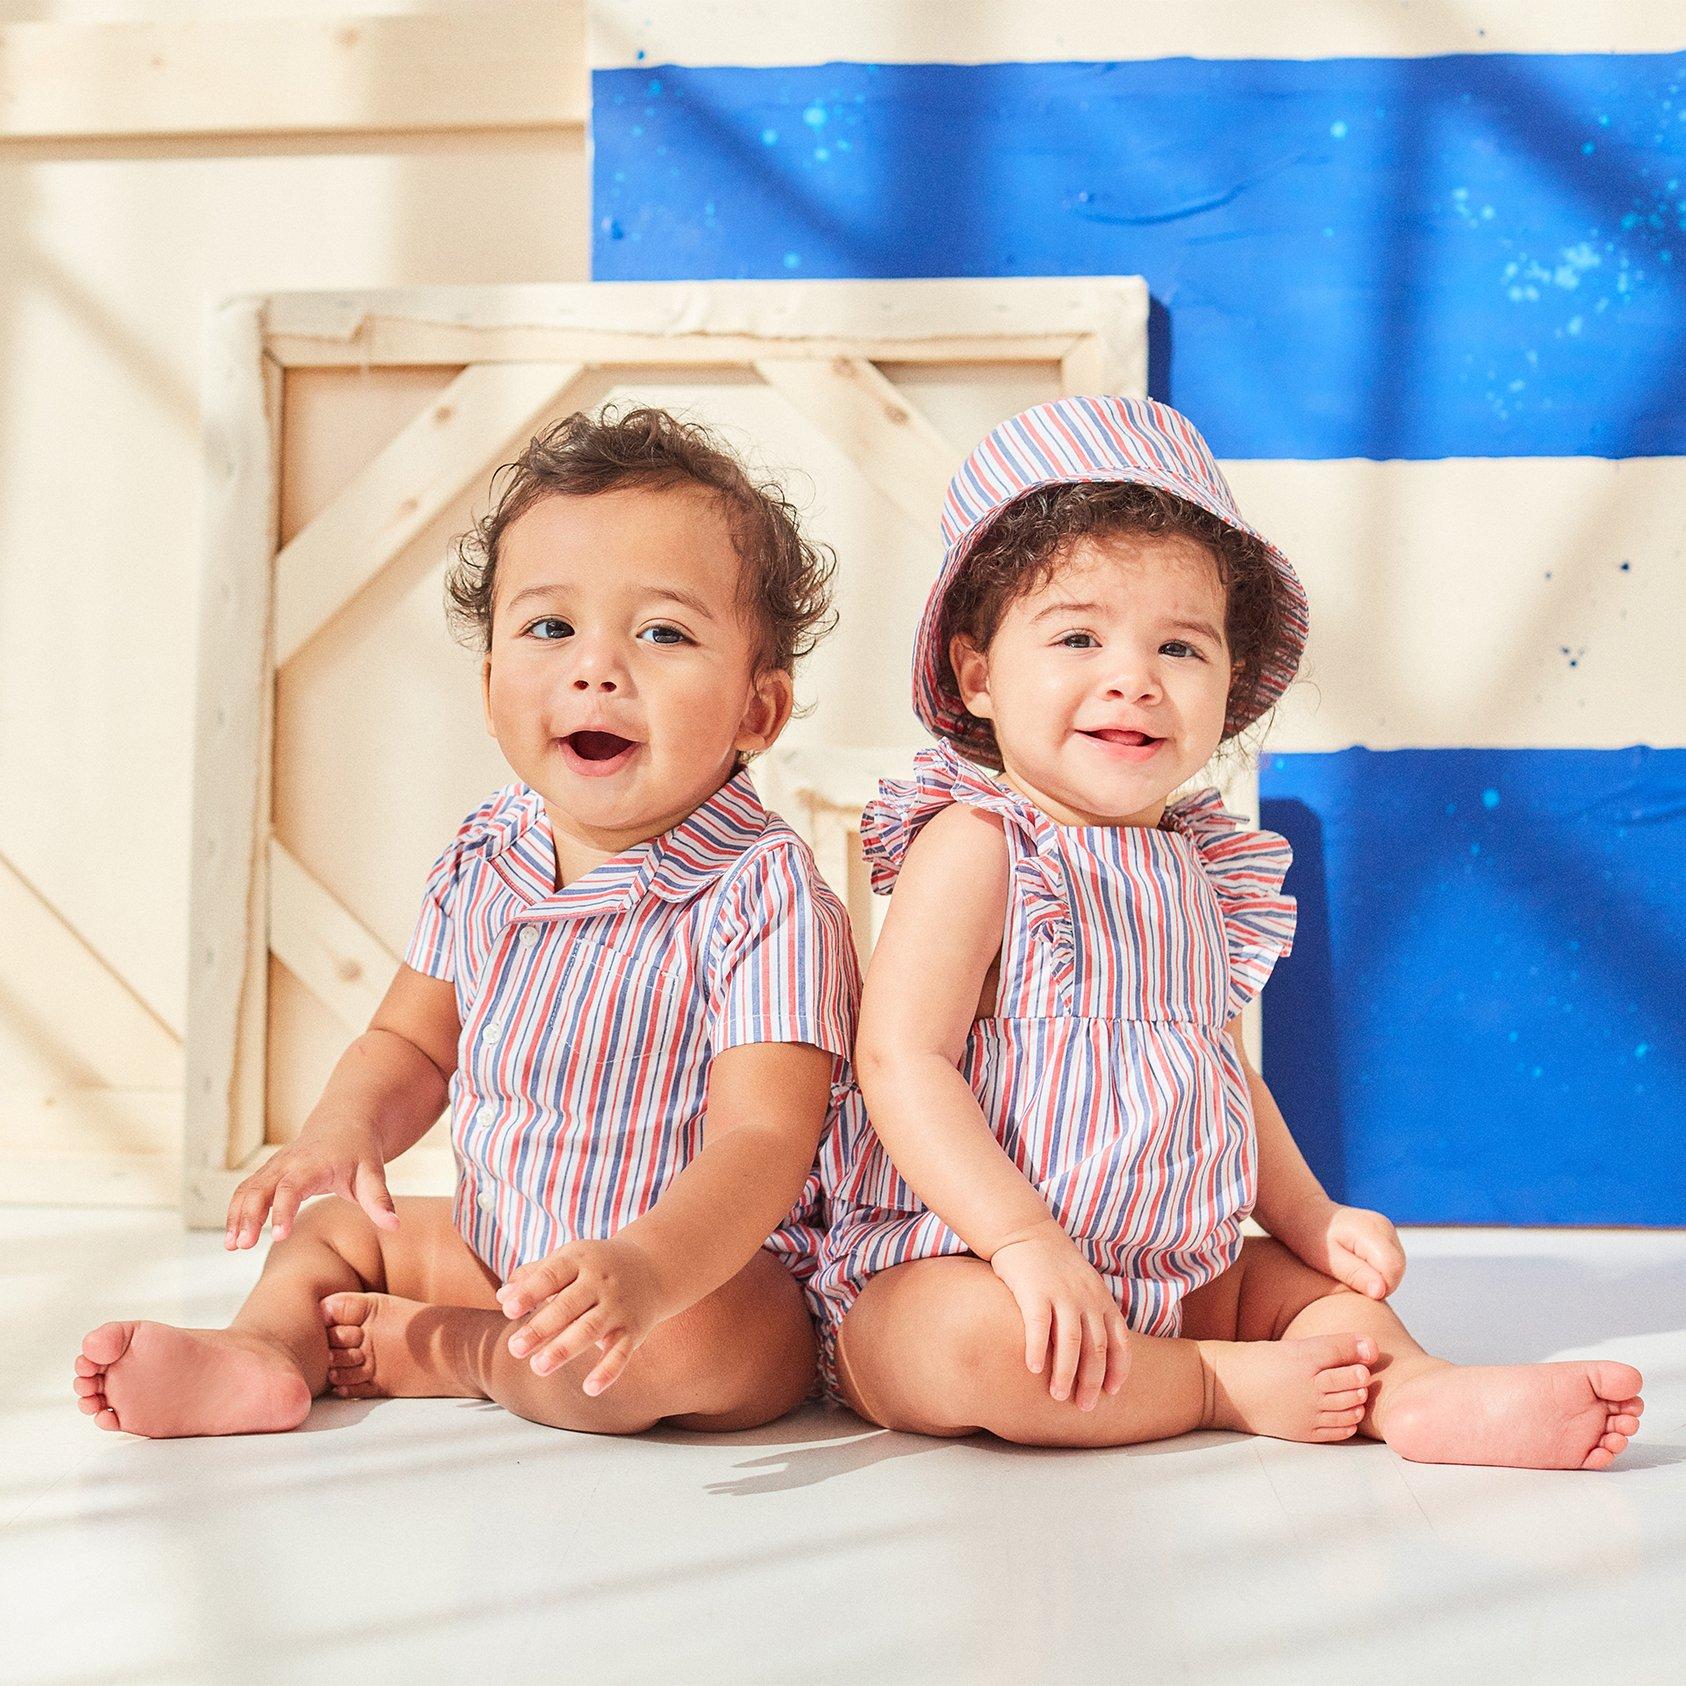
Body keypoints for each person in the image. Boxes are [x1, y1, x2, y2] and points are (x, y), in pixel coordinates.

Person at [811, 395, 1644, 1468]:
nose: (1134, 678)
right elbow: (900, 1057)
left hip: (1175, 1266)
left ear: (1229, 684)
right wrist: (1022, 1242)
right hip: (966, 1259)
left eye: (1180, 647)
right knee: (972, 1347)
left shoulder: (1199, 864)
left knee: (1314, 1299)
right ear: (977, 674)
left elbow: (1217, 1073)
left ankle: (1419, 1396)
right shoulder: (978, 844)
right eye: (1077, 636)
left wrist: (1306, 1215)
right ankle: (1210, 1384)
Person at [75, 407, 858, 1438]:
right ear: (491, 689)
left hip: (702, 1279)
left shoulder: (763, 893)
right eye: (549, 628)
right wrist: (340, 1130)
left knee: (677, 1347)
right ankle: (265, 1350)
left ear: (758, 713)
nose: (597, 667)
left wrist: (643, 1268)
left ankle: (454, 1352)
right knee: (339, 1230)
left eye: (662, 632)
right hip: (502, 1247)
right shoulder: (486, 856)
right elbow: (410, 1042)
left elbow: (766, 1137)